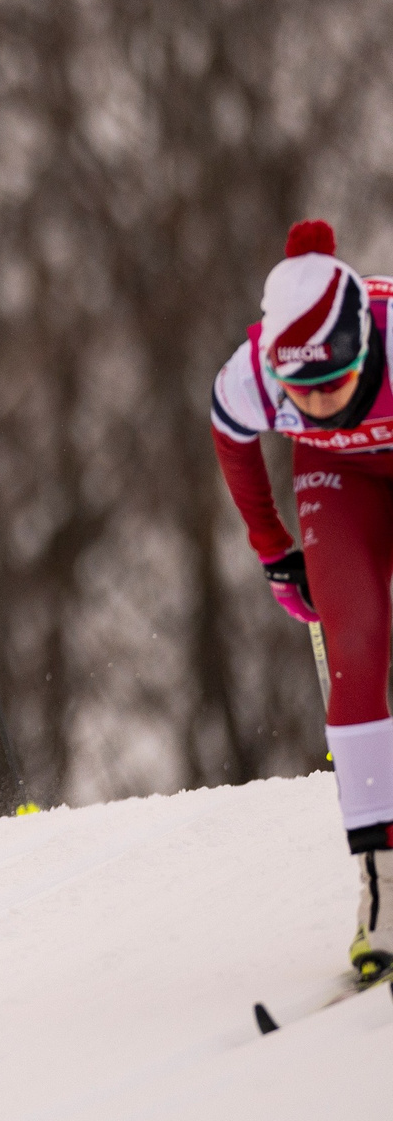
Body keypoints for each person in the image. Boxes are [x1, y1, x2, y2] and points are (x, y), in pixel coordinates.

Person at [211, 219, 393, 985]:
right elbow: (231, 434)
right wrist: (274, 548)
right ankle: (382, 889)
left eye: (336, 387)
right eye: (300, 394)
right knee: (354, 651)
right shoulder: (251, 373)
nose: (316, 406)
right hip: (339, 484)